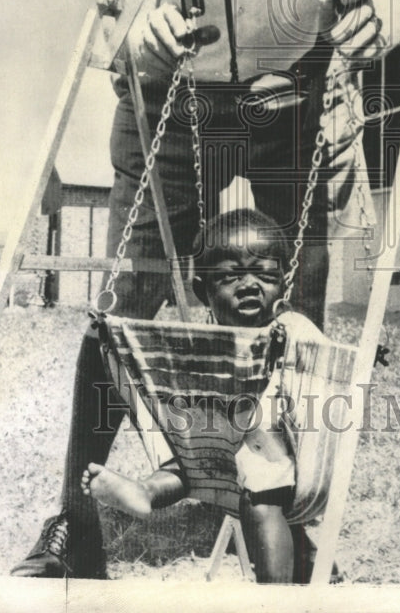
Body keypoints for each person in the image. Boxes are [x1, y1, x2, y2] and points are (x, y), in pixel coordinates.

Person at [12, 0, 400, 579]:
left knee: (302, 320)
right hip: (177, 103)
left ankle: (295, 519)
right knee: (126, 305)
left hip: (298, 95)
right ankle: (78, 519)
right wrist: (143, 38)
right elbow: (123, 32)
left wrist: (377, 13)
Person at [81, 209, 330, 584]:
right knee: (182, 465)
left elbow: (324, 359)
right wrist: (114, 339)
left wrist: (338, 355)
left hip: (276, 457)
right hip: (216, 451)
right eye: (231, 276)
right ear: (203, 291)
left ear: (282, 283)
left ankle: (278, 598)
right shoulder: (204, 343)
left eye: (265, 274)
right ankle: (144, 493)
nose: (250, 285)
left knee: (263, 503)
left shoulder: (288, 325)